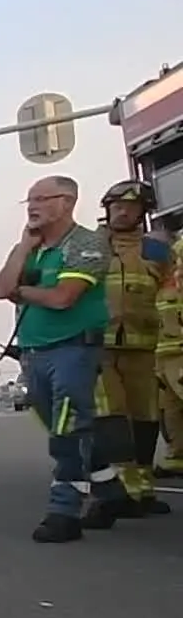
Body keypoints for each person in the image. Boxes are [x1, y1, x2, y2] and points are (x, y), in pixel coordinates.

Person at [0, 175, 129, 542]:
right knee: (64, 425)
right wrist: (22, 248)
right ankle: (111, 492)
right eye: (28, 200)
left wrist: (21, 291)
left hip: (74, 349)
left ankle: (64, 509)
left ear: (66, 202)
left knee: (67, 430)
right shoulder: (31, 249)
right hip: (34, 353)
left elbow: (64, 297)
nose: (32, 206)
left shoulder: (86, 244)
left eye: (41, 199)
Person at [91, 179, 173, 518]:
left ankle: (144, 486)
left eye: (131, 207)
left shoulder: (157, 250)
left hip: (145, 346)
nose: (123, 212)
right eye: (117, 206)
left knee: (145, 417)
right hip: (99, 346)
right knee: (112, 416)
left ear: (144, 213)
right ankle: (121, 487)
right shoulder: (91, 246)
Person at [154, 206, 183, 479]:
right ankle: (177, 455)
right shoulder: (157, 281)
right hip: (160, 357)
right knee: (170, 410)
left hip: (178, 352)